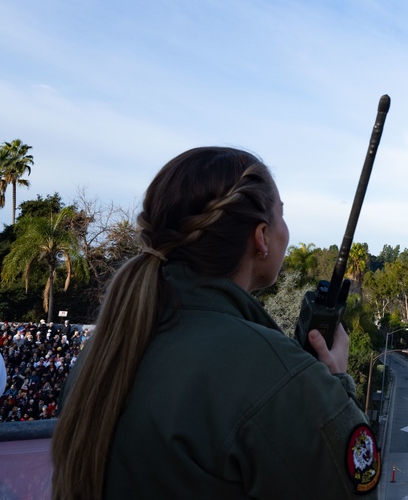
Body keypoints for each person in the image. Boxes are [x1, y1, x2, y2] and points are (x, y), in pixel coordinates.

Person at [50, 147, 377, 499]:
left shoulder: (103, 354)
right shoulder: (279, 379)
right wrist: (334, 388)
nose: (286, 229)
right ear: (262, 237)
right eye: (281, 215)